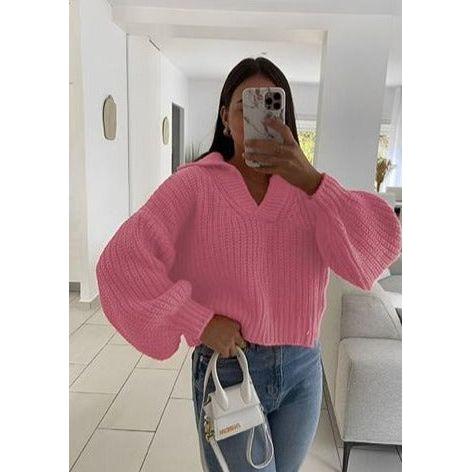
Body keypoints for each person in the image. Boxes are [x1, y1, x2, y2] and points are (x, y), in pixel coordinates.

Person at [96, 57, 402, 471]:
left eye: (271, 104)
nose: (260, 117)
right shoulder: (194, 184)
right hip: (230, 367)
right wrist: (198, 320)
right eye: (246, 106)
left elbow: (377, 248)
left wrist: (312, 181)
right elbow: (121, 263)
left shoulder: (309, 191)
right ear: (225, 117)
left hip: (303, 370)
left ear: (285, 116)